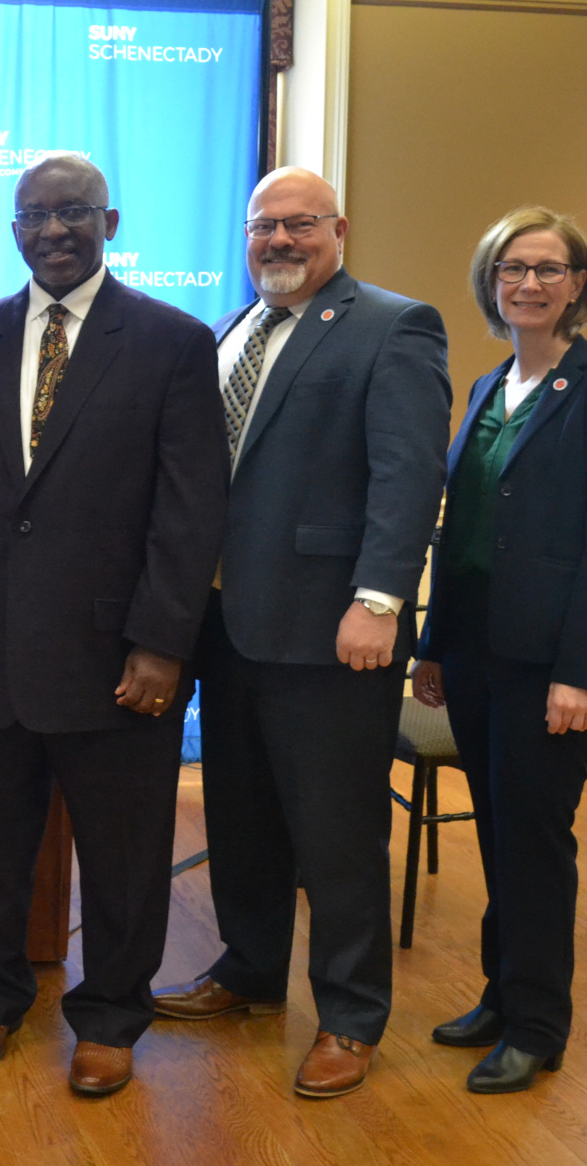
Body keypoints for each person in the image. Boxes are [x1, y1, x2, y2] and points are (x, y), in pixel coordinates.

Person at [0, 154, 229, 1096]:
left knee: (125, 853)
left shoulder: (172, 342)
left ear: (111, 221)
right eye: (35, 216)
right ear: (13, 231)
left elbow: (190, 507)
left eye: (74, 212)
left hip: (118, 656)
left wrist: (164, 639)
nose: (54, 230)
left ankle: (112, 1013)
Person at [152, 167, 451, 1098]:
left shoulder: (393, 325)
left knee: (337, 833)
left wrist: (381, 601)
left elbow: (406, 477)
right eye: (263, 227)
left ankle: (352, 1017)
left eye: (299, 225)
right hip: (230, 624)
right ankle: (248, 970)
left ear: (339, 228)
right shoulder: (231, 330)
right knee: (241, 814)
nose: (279, 241)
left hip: (331, 632)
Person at [411, 208, 587, 1093]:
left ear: (579, 285)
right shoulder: (485, 388)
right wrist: (434, 643)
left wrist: (582, 673)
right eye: (513, 268)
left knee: (535, 839)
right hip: (475, 653)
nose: (530, 283)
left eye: (550, 269)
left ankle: (539, 1023)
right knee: (500, 829)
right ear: (492, 283)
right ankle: (499, 994)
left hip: (554, 663)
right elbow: (462, 528)